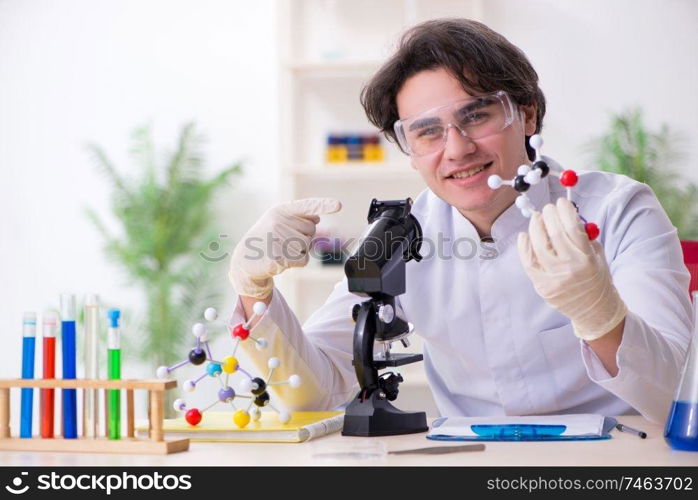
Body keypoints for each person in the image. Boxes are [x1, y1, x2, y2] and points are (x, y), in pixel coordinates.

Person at [227, 19, 693, 423]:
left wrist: (600, 314)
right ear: (410, 151)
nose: (457, 149)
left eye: (476, 116)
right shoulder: (403, 234)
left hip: (615, 464)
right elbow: (314, 391)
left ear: (526, 114)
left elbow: (676, 397)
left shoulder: (618, 211)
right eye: (427, 132)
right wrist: (254, 291)